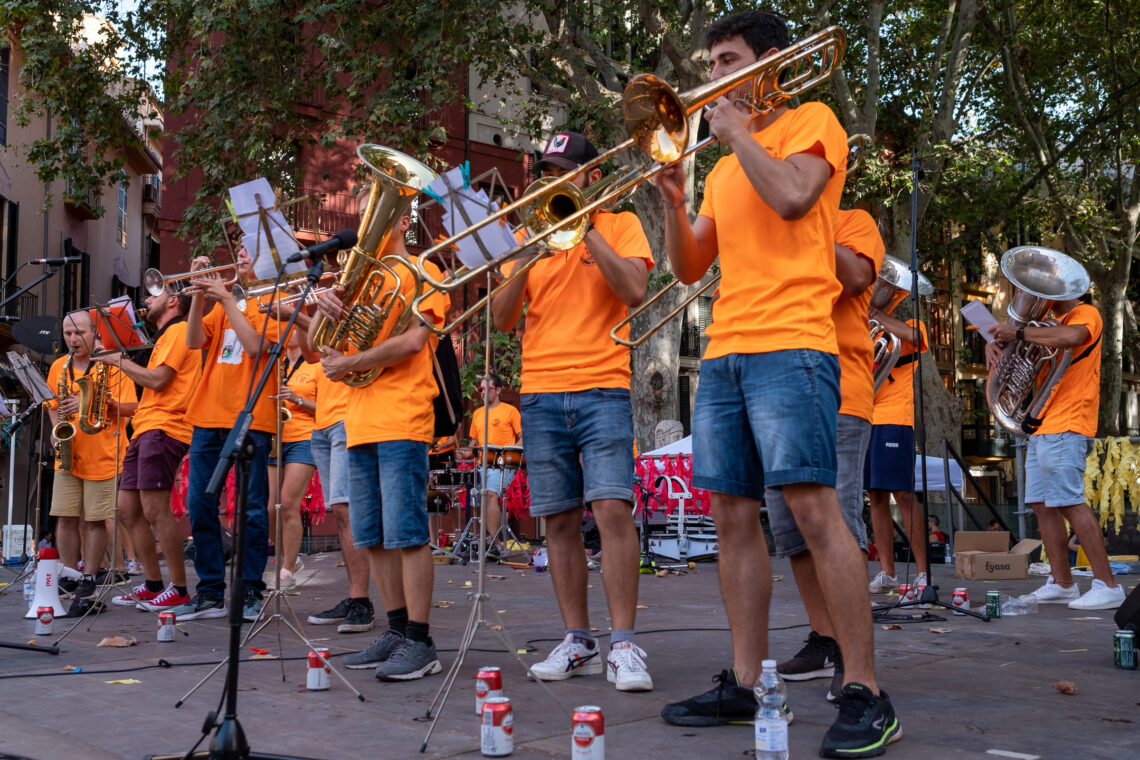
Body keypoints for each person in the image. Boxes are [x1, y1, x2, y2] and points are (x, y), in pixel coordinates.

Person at [653, 11, 900, 755]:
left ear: (773, 62)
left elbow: (795, 197)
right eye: (712, 62)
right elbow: (691, 266)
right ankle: (745, 678)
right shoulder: (728, 163)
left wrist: (733, 133)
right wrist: (672, 196)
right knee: (732, 517)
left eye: (729, 59)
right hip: (726, 349)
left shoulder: (811, 120)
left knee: (816, 512)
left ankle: (865, 690)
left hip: (794, 342)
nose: (715, 76)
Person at [493, 130, 653, 692]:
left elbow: (635, 288)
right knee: (557, 519)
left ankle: (625, 645)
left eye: (563, 171)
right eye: (546, 171)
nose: (551, 180)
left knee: (611, 511)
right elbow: (502, 319)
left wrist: (583, 228)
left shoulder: (621, 223)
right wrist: (532, 249)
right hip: (539, 393)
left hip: (602, 386)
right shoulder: (527, 232)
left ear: (590, 176)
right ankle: (577, 638)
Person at [312, 210, 450, 680]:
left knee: (407, 533)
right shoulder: (359, 281)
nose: (368, 220)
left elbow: (415, 342)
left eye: (378, 210)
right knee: (372, 535)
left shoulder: (426, 272)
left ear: (399, 224)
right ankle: (395, 630)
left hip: (403, 415)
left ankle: (420, 640)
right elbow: (316, 345)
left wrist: (354, 359)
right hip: (359, 420)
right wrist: (324, 307)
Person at [769, 209, 885, 704]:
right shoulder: (764, 217)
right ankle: (826, 639)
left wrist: (800, 220)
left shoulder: (851, 219)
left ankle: (857, 663)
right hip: (776, 389)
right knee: (790, 529)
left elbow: (857, 277)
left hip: (839, 386)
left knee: (837, 521)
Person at [987, 297, 1124, 610]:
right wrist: (994, 348)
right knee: (1041, 504)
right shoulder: (1044, 326)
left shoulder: (1084, 313)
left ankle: (1108, 585)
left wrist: (1019, 335)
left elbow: (1073, 337)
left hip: (1069, 421)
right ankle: (1062, 583)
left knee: (1070, 502)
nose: (1039, 297)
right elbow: (1016, 365)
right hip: (1042, 423)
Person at [171, 249, 282, 622]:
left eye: (248, 248)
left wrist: (224, 298)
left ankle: (250, 589)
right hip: (207, 414)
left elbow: (255, 346)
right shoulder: (223, 302)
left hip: (252, 416)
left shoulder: (276, 300)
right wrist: (198, 293)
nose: (239, 255)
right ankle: (210, 591)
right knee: (200, 502)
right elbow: (193, 341)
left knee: (251, 510)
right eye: (237, 250)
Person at [111, 287, 201, 612]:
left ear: (173, 301)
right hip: (146, 426)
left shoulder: (177, 331)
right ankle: (152, 585)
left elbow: (159, 380)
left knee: (154, 510)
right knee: (127, 510)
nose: (146, 300)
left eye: (154, 295)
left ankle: (178, 589)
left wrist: (119, 361)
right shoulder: (164, 335)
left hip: (165, 428)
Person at [46, 310, 136, 615]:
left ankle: (89, 576)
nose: (73, 339)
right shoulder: (59, 367)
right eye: (68, 333)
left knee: (95, 520)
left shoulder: (112, 364)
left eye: (79, 333)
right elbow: (53, 406)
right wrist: (55, 431)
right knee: (65, 516)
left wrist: (104, 404)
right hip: (69, 452)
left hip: (104, 452)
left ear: (94, 333)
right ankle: (68, 574)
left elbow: (134, 407)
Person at [865, 302, 929, 594]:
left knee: (903, 495)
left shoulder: (911, 323)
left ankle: (922, 573)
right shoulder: (862, 328)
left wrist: (877, 316)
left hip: (895, 419)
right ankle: (888, 572)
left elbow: (914, 338)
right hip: (864, 416)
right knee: (875, 496)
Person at [264, 331, 319, 590]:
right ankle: (290, 558)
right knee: (271, 507)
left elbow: (327, 407)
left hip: (304, 438)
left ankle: (287, 568)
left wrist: (297, 399)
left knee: (288, 504)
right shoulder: (274, 361)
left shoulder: (315, 362)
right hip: (275, 437)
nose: (290, 331)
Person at [458, 373, 521, 558]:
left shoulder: (510, 411)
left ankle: (495, 543)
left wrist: (507, 452)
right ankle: (486, 542)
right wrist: (464, 453)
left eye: (486, 389)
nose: (482, 392)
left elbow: (523, 437)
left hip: (502, 464)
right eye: (480, 390)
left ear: (498, 390)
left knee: (491, 495)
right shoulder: (477, 414)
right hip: (481, 465)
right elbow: (473, 445)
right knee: (477, 498)